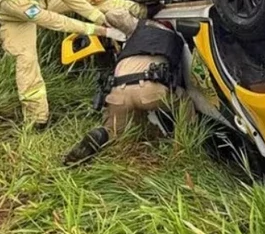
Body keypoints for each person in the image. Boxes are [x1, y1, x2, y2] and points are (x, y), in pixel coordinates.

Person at [0, 0, 143, 129]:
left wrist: (100, 18)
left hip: (39, 0)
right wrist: (104, 31)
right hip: (14, 19)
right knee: (26, 61)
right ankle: (37, 119)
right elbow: (56, 21)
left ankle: (138, 8)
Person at [63, 17, 188, 165]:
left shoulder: (133, 39)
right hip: (148, 91)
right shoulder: (169, 39)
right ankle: (184, 147)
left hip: (118, 93)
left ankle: (99, 137)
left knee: (114, 133)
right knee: (185, 101)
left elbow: (113, 14)